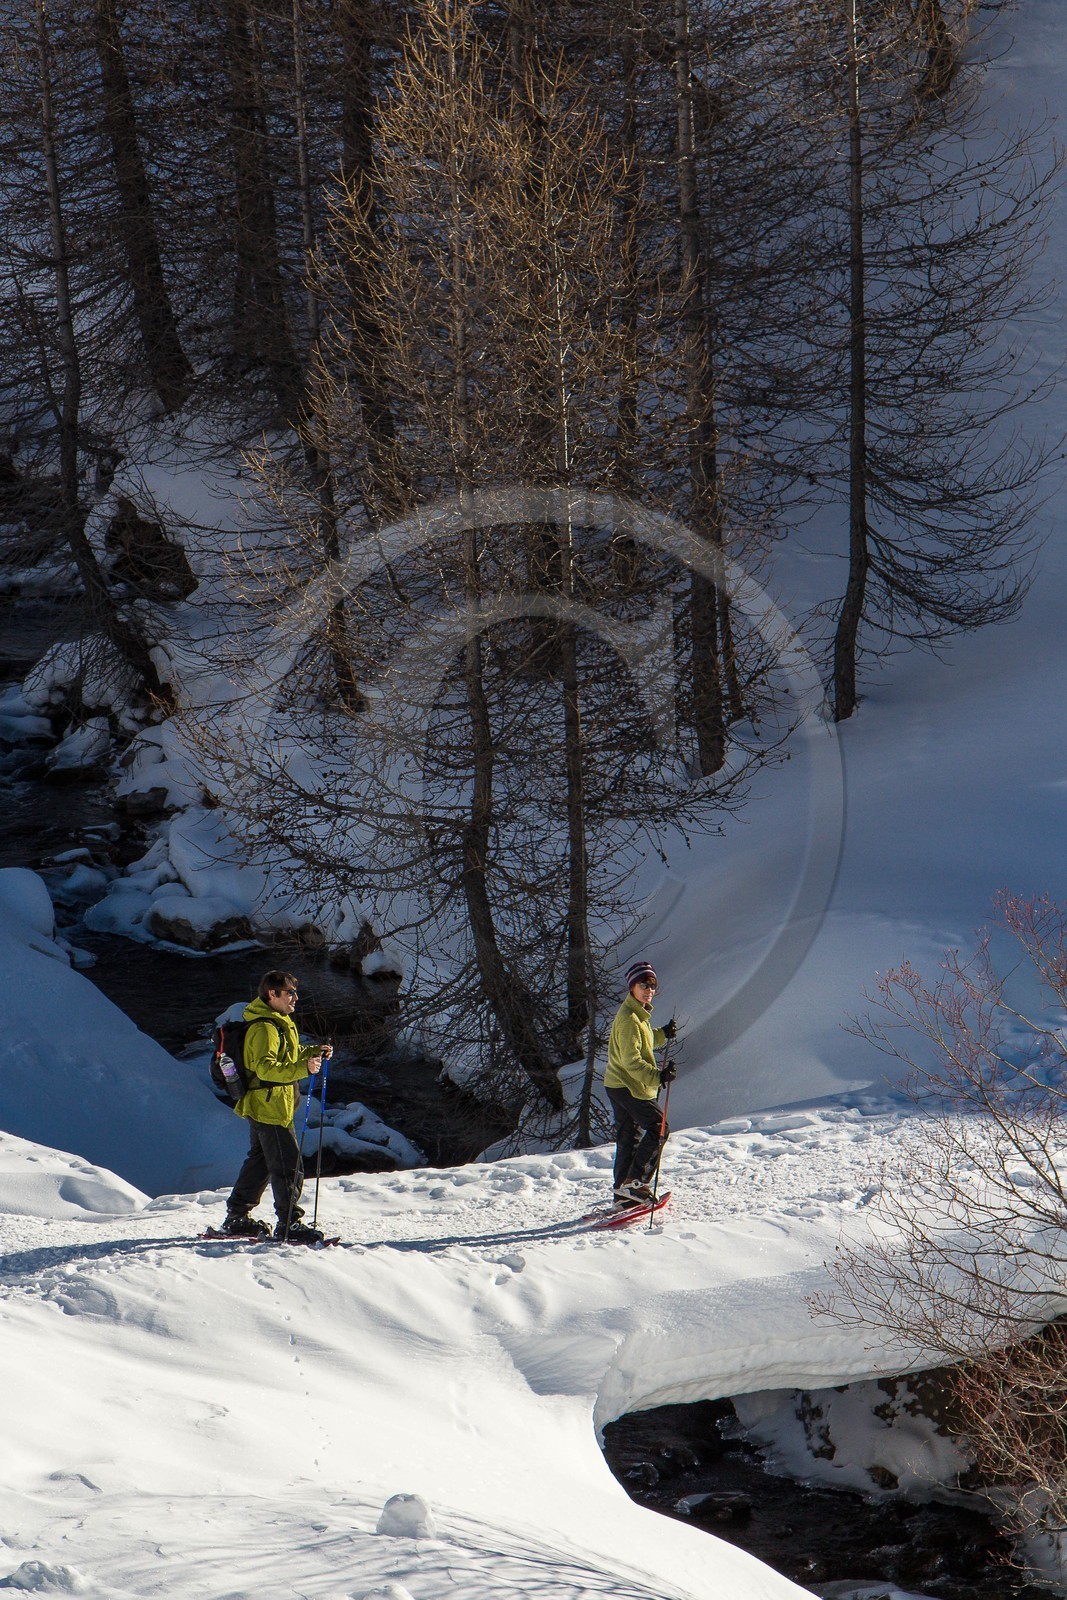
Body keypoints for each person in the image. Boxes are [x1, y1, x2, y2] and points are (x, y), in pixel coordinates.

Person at [220, 969, 334, 1243]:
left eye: (295, 992)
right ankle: (290, 1224)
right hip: (269, 1107)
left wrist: (313, 1052)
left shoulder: (276, 1021)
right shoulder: (264, 1028)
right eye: (290, 993)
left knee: (261, 1163)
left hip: (270, 1106)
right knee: (288, 1165)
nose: (296, 998)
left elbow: (287, 1055)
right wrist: (303, 1068)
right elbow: (264, 1068)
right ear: (273, 994)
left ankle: (237, 1218)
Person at [604, 960, 678, 1204]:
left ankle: (622, 1194)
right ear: (632, 987)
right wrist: (658, 1076)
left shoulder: (638, 1014)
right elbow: (632, 1061)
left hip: (618, 1085)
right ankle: (636, 1184)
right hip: (629, 1085)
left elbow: (643, 1041)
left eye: (652, 985)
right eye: (643, 984)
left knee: (629, 1137)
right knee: (659, 1128)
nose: (649, 990)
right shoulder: (629, 1020)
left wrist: (662, 1034)